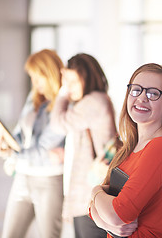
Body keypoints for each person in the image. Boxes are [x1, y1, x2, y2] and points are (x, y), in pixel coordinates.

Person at [89, 63, 162, 237]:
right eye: (136, 90)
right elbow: (93, 209)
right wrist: (104, 222)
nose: (141, 98)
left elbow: (117, 214)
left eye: (153, 93)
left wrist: (95, 192)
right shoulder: (130, 147)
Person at [0, 49, 66, 238]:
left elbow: (42, 149)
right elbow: (20, 136)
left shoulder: (63, 104)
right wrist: (4, 144)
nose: (34, 83)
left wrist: (13, 153)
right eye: (32, 77)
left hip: (49, 181)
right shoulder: (33, 97)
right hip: (22, 178)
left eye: (38, 77)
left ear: (50, 73)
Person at [50, 53, 118, 238]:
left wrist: (62, 92)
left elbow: (57, 123)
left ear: (86, 78)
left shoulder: (94, 101)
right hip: (89, 194)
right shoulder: (91, 102)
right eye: (66, 82)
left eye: (72, 82)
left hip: (91, 195)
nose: (68, 87)